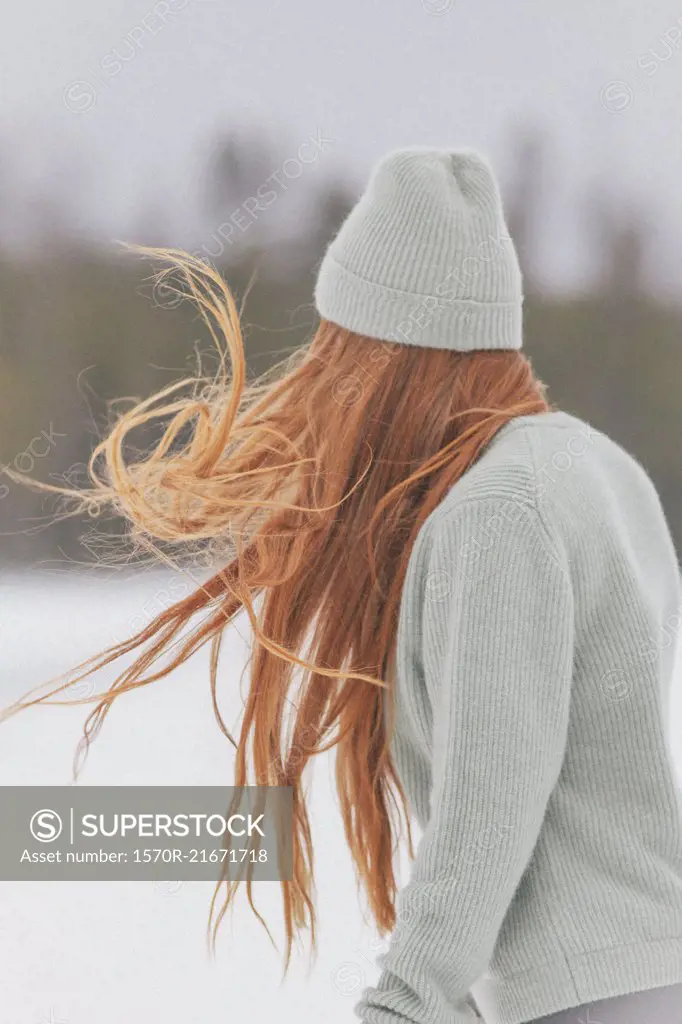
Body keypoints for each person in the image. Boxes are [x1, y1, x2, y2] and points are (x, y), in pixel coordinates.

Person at [8, 148, 682, 1023]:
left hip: (587, 995)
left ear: (390, 359)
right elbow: (585, 759)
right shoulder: (601, 470)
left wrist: (409, 1001)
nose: (329, 379)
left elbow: (492, 800)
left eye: (345, 348)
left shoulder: (494, 515)